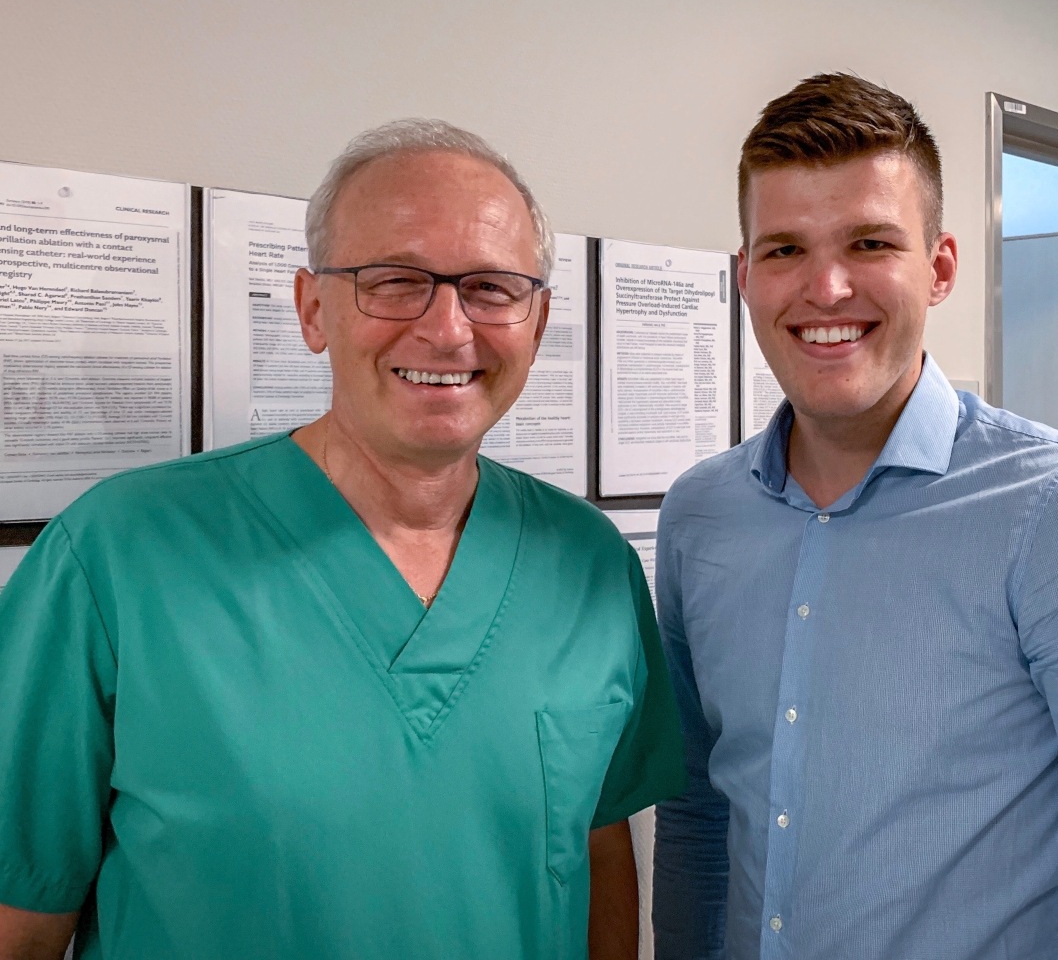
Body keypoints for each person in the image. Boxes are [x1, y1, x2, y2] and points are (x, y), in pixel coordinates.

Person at [0, 118, 684, 960]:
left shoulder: (590, 564)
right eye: (394, 281)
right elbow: (20, 919)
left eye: (491, 288)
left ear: (537, 322)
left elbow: (598, 849)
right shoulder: (116, 556)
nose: (448, 329)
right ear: (312, 309)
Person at [651, 73, 1058, 959]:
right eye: (784, 249)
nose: (825, 287)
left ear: (939, 269)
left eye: (869, 243)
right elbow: (699, 815)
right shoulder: (701, 515)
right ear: (746, 277)